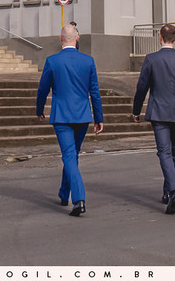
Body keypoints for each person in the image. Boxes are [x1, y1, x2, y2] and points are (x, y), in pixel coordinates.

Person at [35, 23, 104, 217]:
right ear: (77, 38)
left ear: (60, 38)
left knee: (69, 155)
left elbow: (42, 89)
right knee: (72, 155)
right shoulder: (88, 61)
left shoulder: (52, 61)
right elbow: (95, 93)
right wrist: (98, 117)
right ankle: (64, 193)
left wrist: (39, 110)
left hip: (62, 116)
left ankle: (79, 198)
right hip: (82, 116)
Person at [132, 22, 175, 215]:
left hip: (159, 112)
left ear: (160, 38)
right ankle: (168, 192)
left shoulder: (151, 59)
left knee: (164, 152)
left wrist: (136, 111)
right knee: (174, 152)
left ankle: (174, 190)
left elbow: (141, 87)